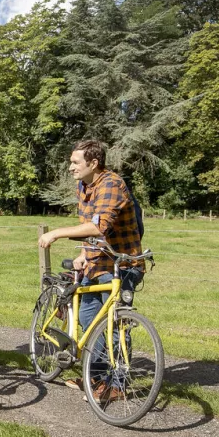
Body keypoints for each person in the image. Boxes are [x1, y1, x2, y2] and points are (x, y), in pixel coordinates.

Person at [37, 139, 144, 399]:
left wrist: (58, 233)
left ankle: (117, 384)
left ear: (93, 163)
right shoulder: (84, 186)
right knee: (88, 319)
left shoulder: (111, 184)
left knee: (115, 326)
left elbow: (100, 227)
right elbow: (90, 225)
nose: (70, 167)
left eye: (75, 162)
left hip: (121, 264)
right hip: (96, 264)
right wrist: (85, 254)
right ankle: (95, 377)